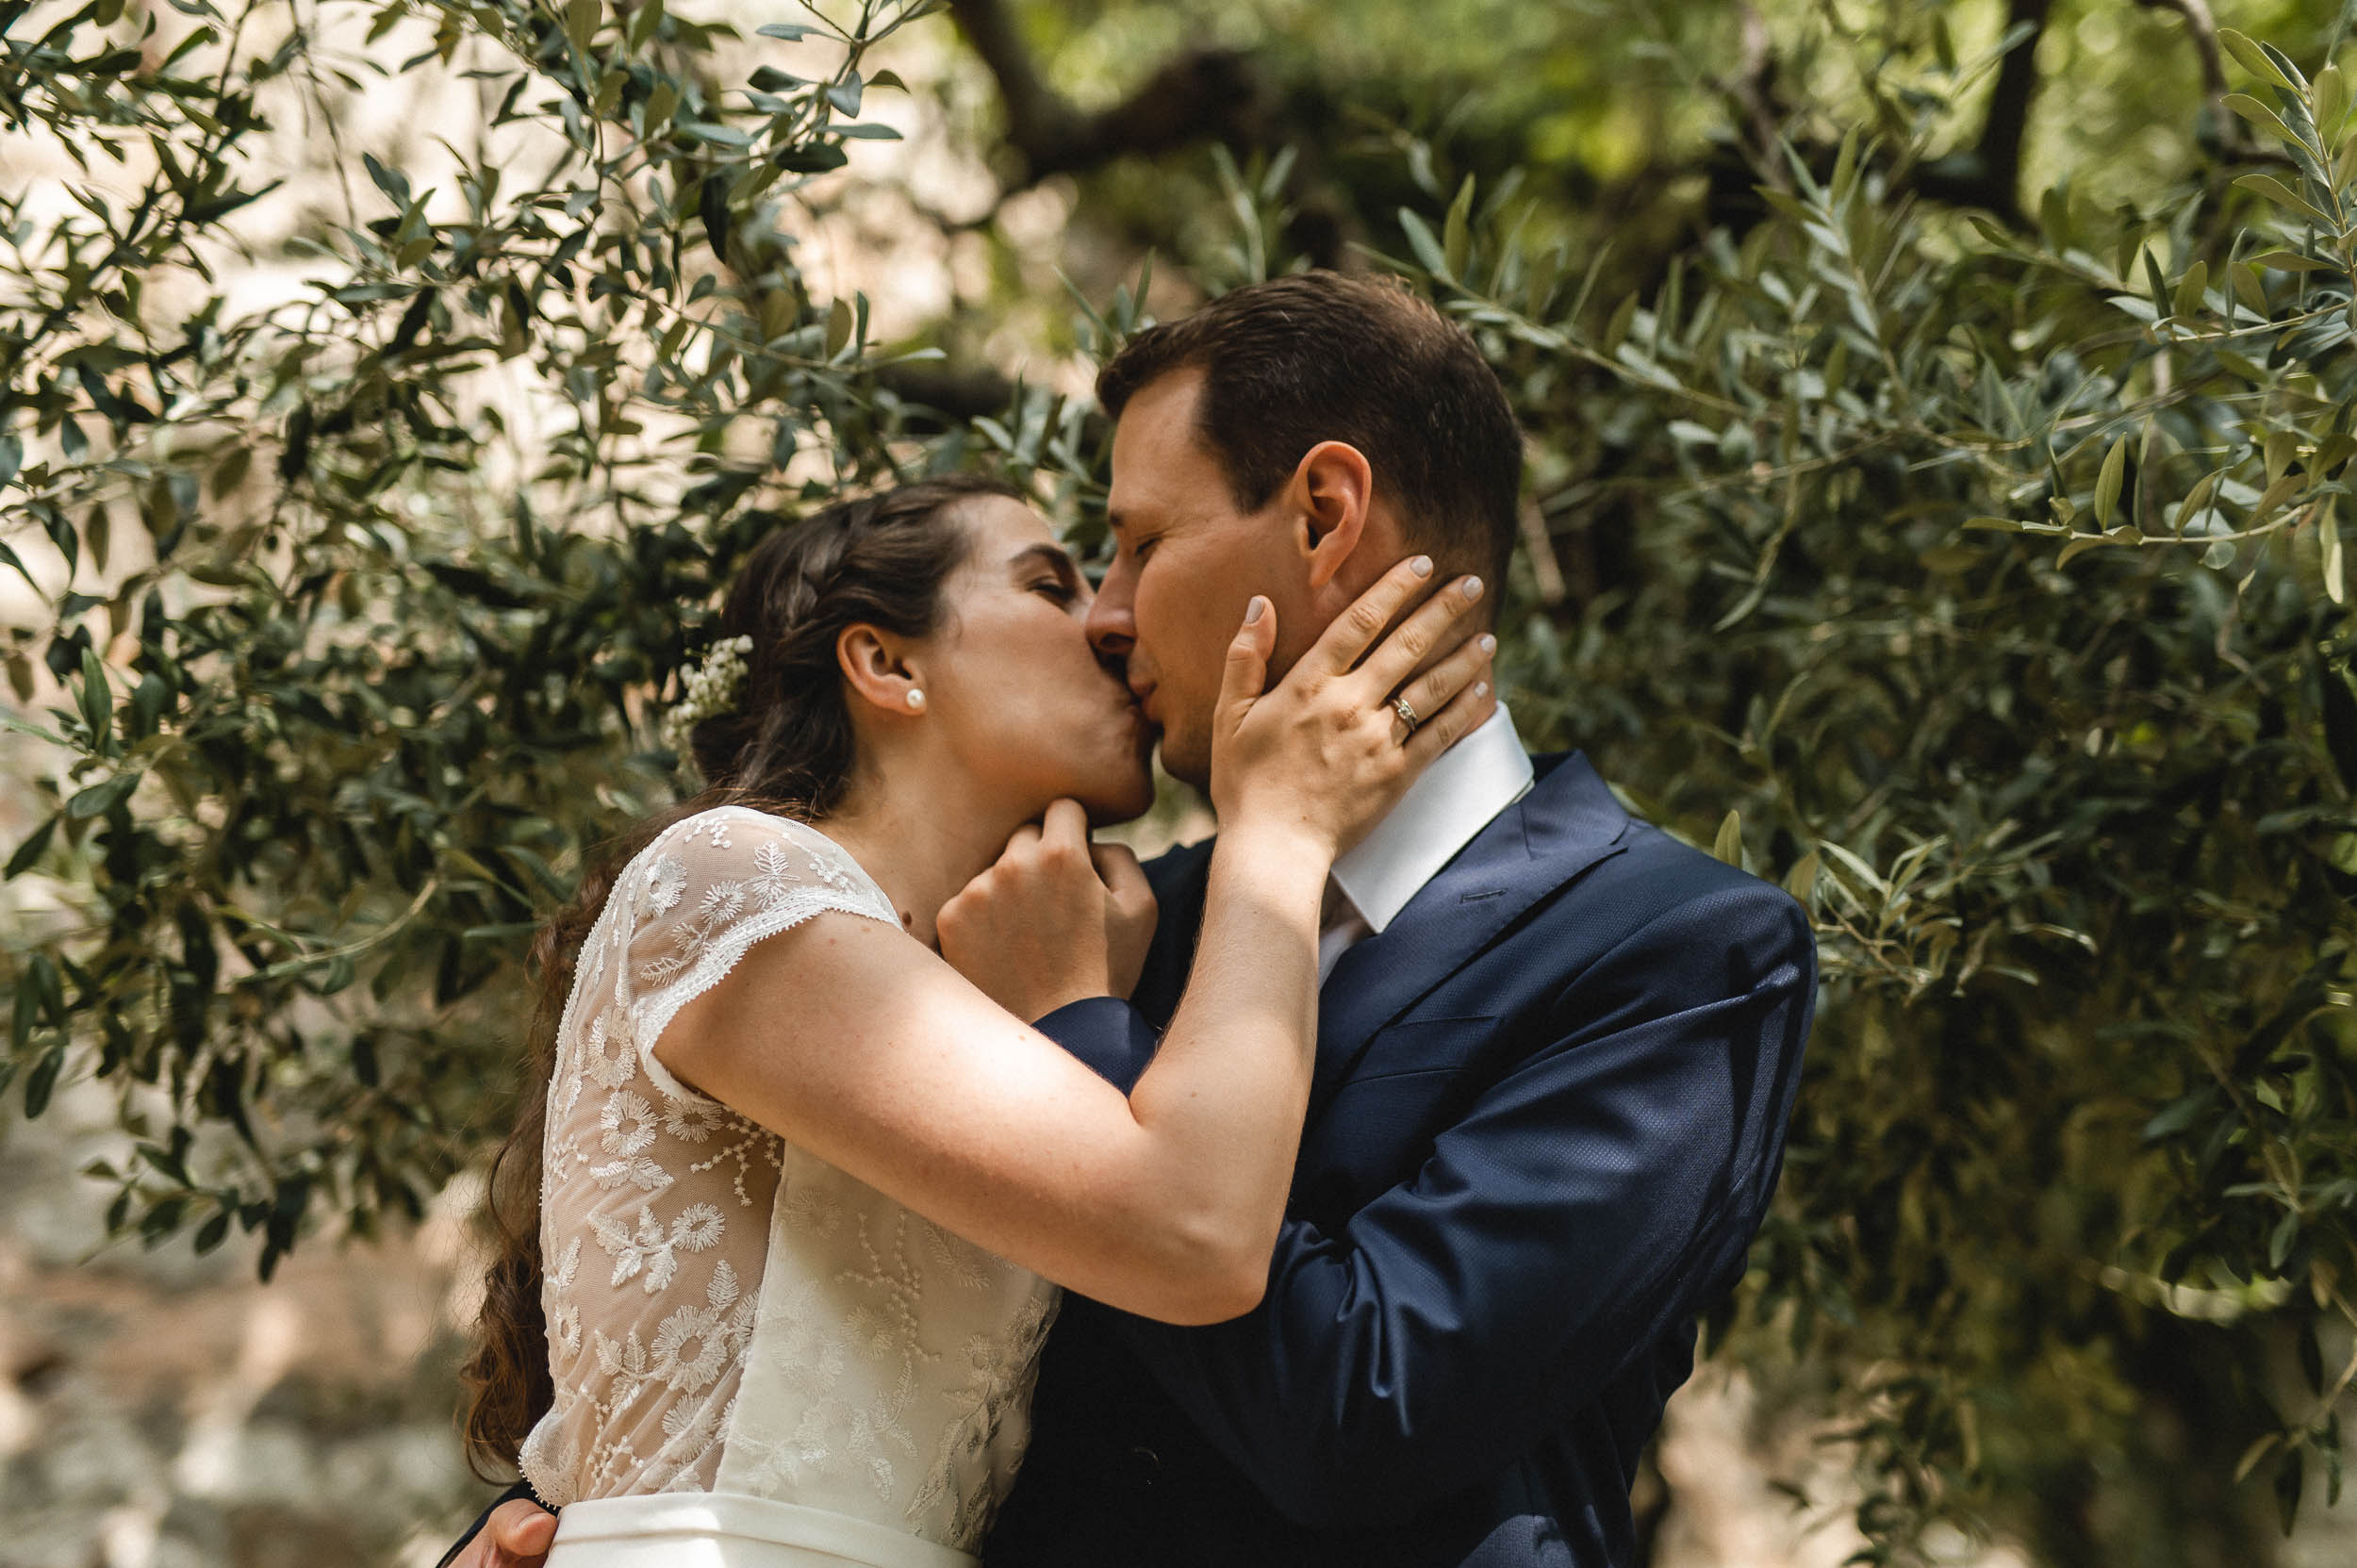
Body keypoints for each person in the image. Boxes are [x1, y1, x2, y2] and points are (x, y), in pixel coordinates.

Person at [453, 271, 1817, 1568]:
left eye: (1140, 544)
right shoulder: (1102, 916)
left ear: (1326, 514)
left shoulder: (1679, 952)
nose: (1108, 614)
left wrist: (1080, 1022)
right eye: (1073, 571)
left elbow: (1367, 1410)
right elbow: (772, 1287)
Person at [450, 470, 1498, 1567]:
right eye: (1050, 583)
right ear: (888, 663)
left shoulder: (992, 989)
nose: (1108, 620)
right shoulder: (734, 879)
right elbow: (1198, 1231)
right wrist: (1278, 834)